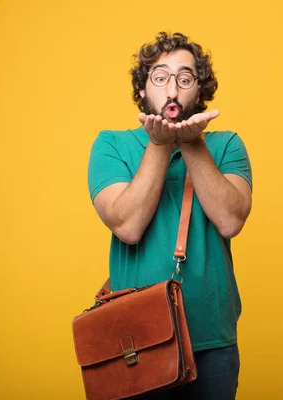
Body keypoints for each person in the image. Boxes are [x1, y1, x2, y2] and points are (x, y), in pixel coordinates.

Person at [87, 31, 253, 399]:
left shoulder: (227, 145)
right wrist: (161, 144)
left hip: (211, 340)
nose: (172, 89)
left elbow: (231, 220)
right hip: (134, 342)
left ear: (199, 90)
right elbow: (127, 226)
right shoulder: (111, 145)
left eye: (185, 77)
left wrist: (191, 142)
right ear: (143, 90)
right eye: (160, 77)